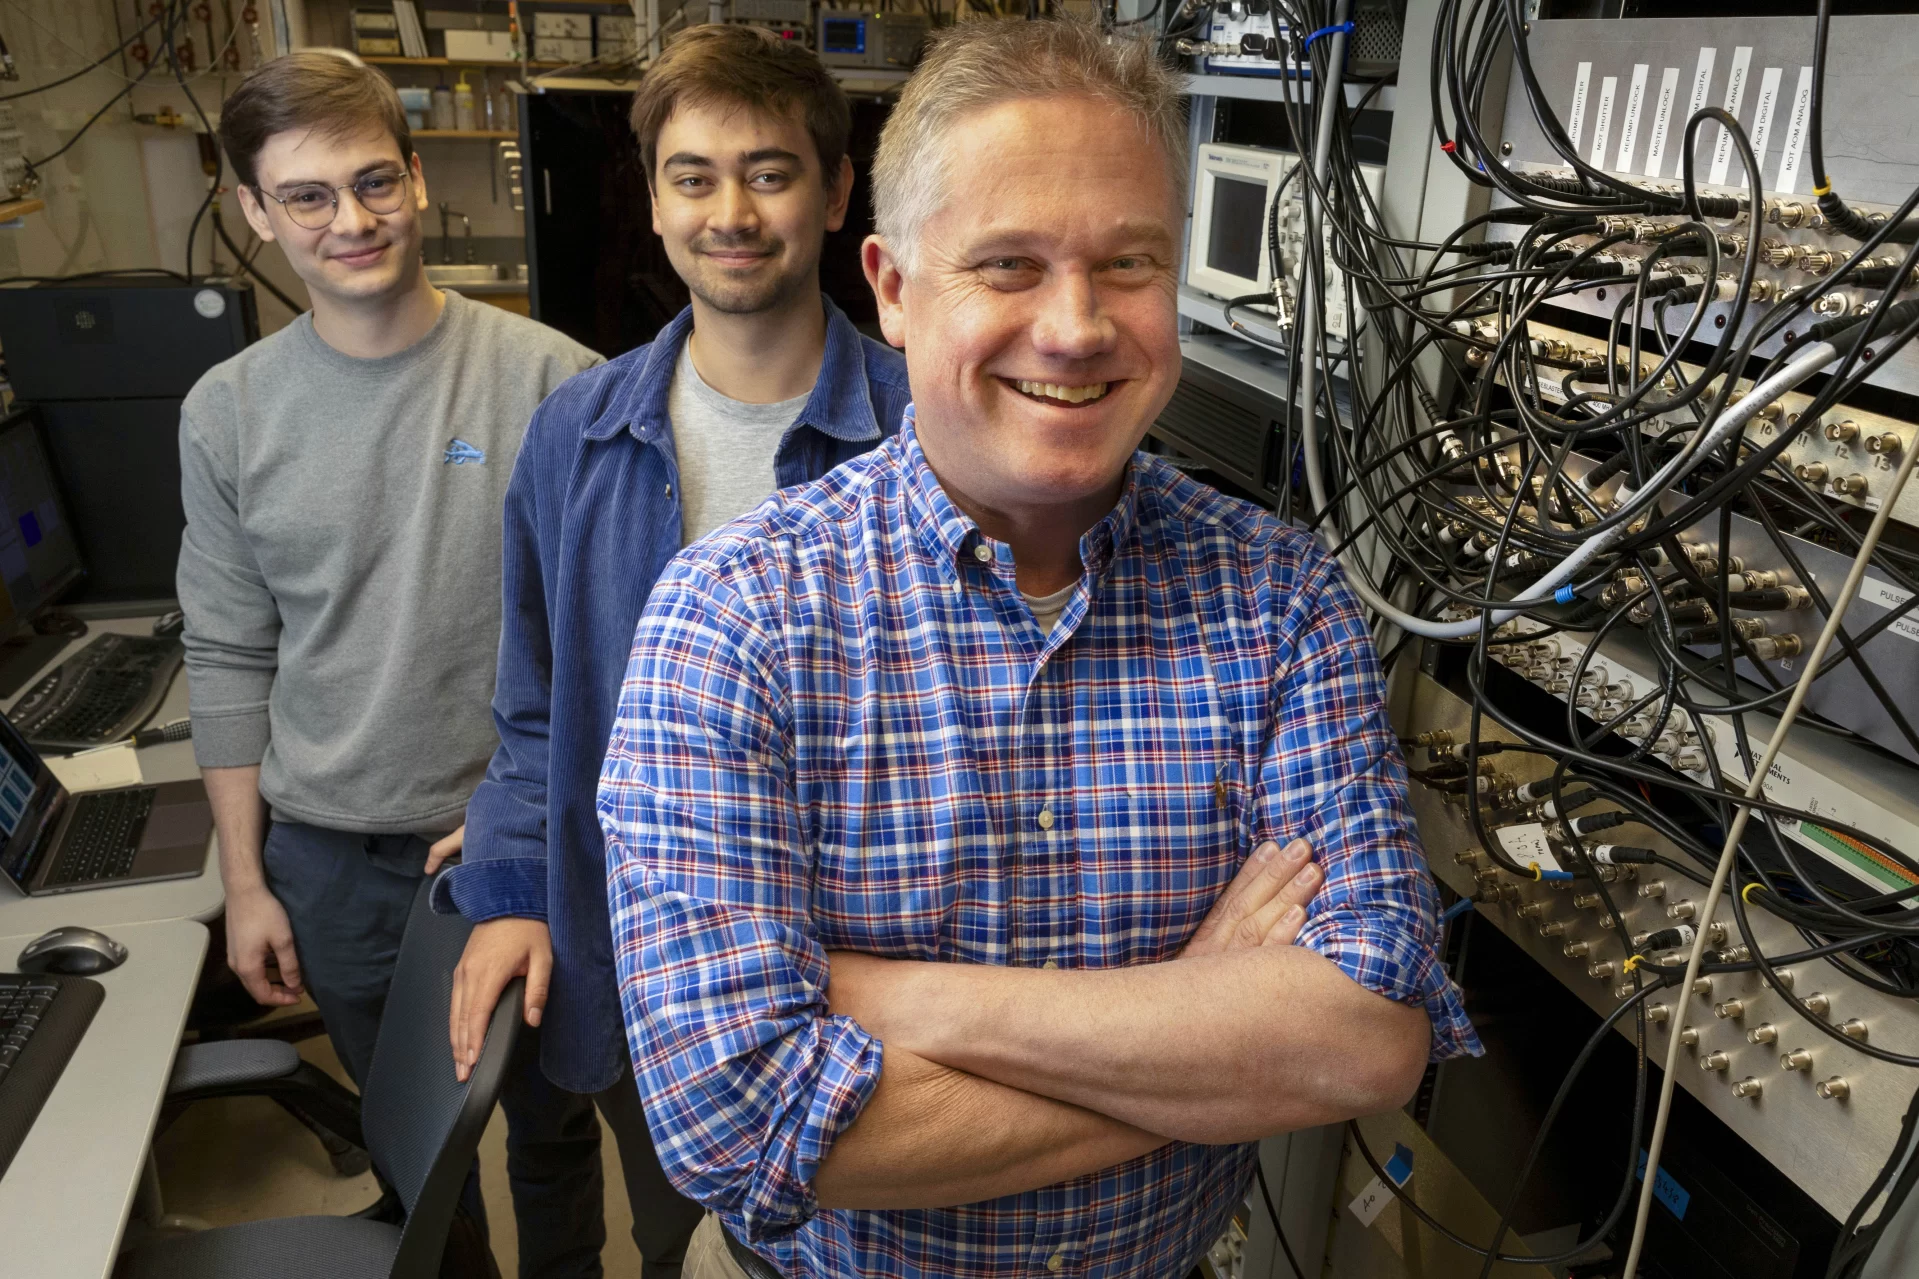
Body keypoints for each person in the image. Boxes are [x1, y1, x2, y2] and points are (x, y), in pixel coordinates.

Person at [598, 19, 1483, 1279]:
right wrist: (1202, 1028)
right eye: (1006, 264)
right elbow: (737, 1122)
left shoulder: (1280, 601)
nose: (1074, 328)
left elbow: (1360, 1042)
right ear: (893, 291)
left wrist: (911, 1001)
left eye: (1126, 263)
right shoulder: (734, 618)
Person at [428, 24, 911, 1278]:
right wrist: (515, 887)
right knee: (682, 1250)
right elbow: (535, 717)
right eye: (692, 176)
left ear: (836, 187)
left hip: (887, 972)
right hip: (654, 982)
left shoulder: (926, 432)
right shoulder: (574, 440)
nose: (731, 211)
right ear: (651, 200)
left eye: (770, 170)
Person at [177, 51, 614, 1277]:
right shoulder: (227, 411)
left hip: (515, 849)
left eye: (374, 181)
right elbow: (226, 648)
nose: (351, 220)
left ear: (417, 178)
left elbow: (604, 646)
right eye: (306, 197)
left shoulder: (555, 381)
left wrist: (531, 825)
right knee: (417, 1153)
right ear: (254, 212)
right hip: (334, 862)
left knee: (550, 1131)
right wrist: (250, 880)